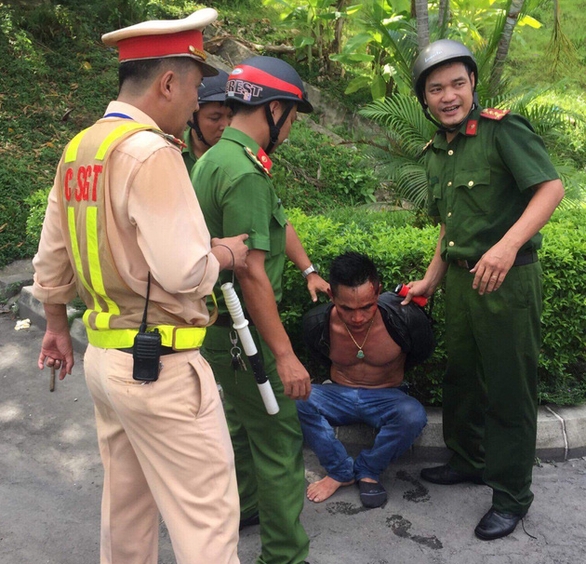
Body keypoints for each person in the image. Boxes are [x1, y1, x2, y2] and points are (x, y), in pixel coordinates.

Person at [31, 9, 249, 564]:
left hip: (107, 362)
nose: (198, 105)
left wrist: (56, 327)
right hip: (163, 370)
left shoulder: (82, 147)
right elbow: (184, 270)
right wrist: (226, 253)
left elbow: (52, 257)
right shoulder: (152, 151)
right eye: (197, 89)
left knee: (126, 513)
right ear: (168, 83)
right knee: (208, 520)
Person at [404, 39, 565, 541]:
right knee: (464, 377)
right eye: (436, 88)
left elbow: (550, 188)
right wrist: (432, 276)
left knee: (507, 388)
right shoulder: (437, 151)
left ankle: (512, 496)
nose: (448, 95)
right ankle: (469, 460)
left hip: (508, 281)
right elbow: (449, 225)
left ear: (473, 85)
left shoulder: (502, 131)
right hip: (460, 279)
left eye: (457, 83)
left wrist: (507, 246)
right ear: (424, 98)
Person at [191, 56, 328, 564]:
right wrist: (285, 355)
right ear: (273, 109)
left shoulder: (214, 159)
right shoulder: (244, 172)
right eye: (292, 116)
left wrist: (309, 267)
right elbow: (249, 272)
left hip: (217, 330)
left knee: (244, 430)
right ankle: (285, 555)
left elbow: (273, 228)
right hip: (242, 335)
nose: (291, 129)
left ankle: (248, 507)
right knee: (278, 442)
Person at [297, 252, 433, 508]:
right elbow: (320, 357)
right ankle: (339, 470)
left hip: (386, 395)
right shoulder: (317, 323)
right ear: (332, 297)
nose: (357, 318)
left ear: (378, 292)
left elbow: (421, 352)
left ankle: (369, 469)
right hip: (338, 393)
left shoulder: (404, 318)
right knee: (296, 398)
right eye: (347, 308)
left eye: (366, 307)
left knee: (413, 415)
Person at [182, 68, 232, 175]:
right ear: (192, 117)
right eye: (215, 118)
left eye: (231, 116)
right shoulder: (171, 153)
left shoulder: (241, 158)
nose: (225, 126)